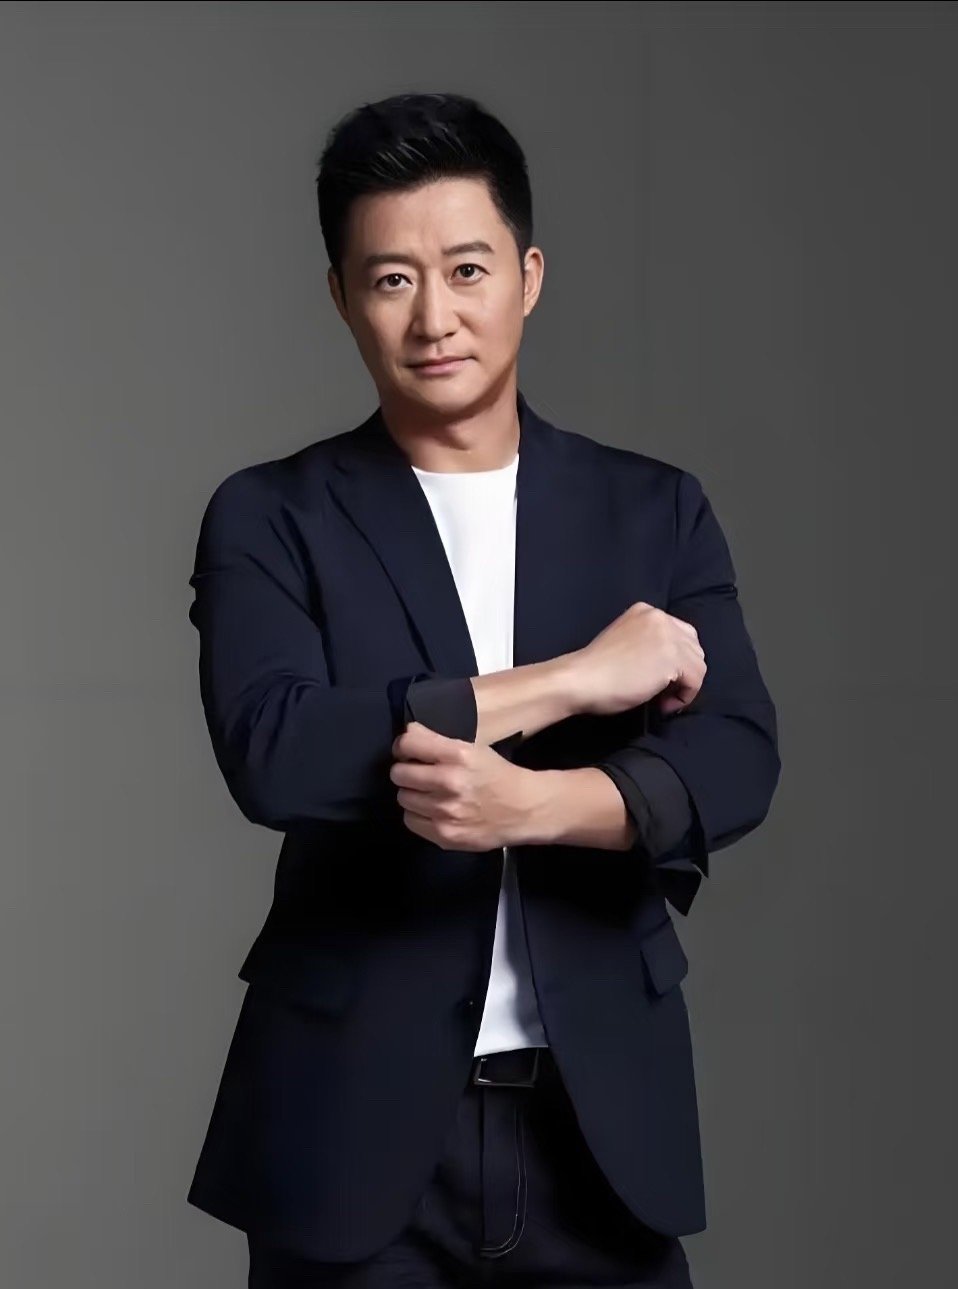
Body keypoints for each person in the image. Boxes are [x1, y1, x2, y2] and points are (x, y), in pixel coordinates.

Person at [185, 91, 780, 1287]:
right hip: (348, 1133)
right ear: (342, 296)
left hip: (600, 1133)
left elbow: (736, 758)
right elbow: (278, 749)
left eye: (467, 269)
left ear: (528, 275)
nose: (435, 317)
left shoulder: (652, 509)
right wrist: (572, 681)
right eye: (391, 279)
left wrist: (539, 807)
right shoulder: (271, 514)